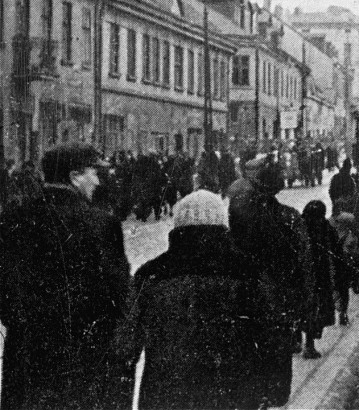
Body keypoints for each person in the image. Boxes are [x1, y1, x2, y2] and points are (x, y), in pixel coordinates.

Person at [114, 190, 281, 410]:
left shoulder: (150, 275)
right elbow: (272, 335)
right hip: (234, 392)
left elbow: (126, 345)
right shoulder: (248, 272)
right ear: (223, 225)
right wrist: (274, 391)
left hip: (166, 394)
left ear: (177, 227)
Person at [0, 143, 133, 410]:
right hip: (85, 358)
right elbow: (118, 294)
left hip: (26, 355)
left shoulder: (12, 219)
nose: (97, 181)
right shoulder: (101, 224)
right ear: (74, 176)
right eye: (93, 172)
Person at [227, 159, 311, 405]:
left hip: (244, 308)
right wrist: (304, 307)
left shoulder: (238, 219)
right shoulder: (290, 218)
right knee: (275, 380)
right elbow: (304, 267)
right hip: (278, 309)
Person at [299, 200, 339, 359]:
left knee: (302, 307)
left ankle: (298, 341)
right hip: (320, 276)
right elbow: (335, 251)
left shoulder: (299, 227)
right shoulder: (326, 228)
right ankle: (309, 345)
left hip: (301, 274)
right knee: (316, 309)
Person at [329, 195, 359, 325]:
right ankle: (343, 312)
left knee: (335, 286)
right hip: (346, 257)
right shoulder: (350, 218)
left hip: (333, 259)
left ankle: (338, 307)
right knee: (344, 288)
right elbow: (357, 233)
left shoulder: (329, 221)